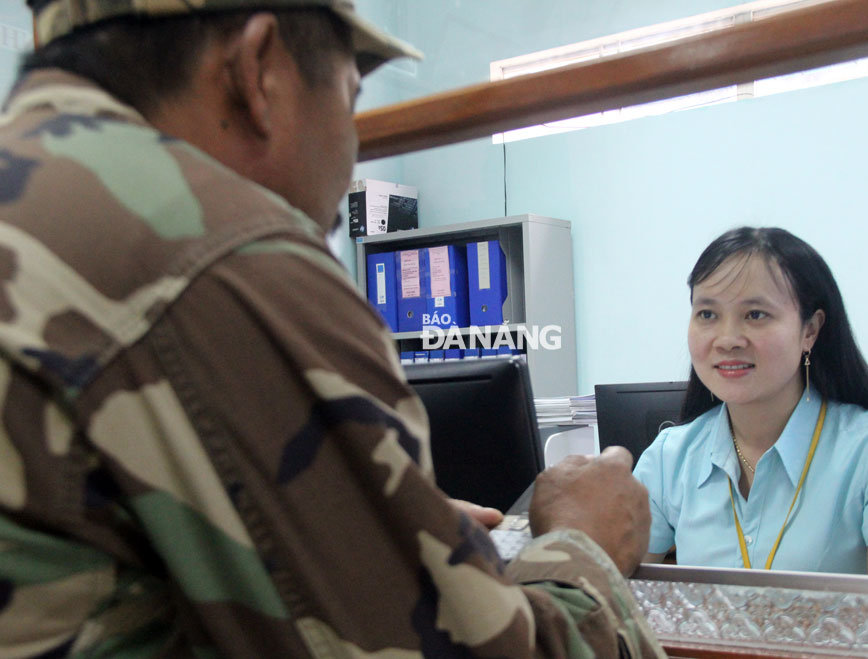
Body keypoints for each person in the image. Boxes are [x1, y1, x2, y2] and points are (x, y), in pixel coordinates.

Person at [0, 1, 666, 656]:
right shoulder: (226, 255)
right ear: (259, 69)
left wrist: (375, 541)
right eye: (350, 99)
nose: (350, 155)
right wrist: (584, 542)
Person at [633, 227, 868, 577]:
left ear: (810, 330)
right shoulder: (668, 459)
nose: (727, 339)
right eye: (707, 314)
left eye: (755, 314)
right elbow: (605, 599)